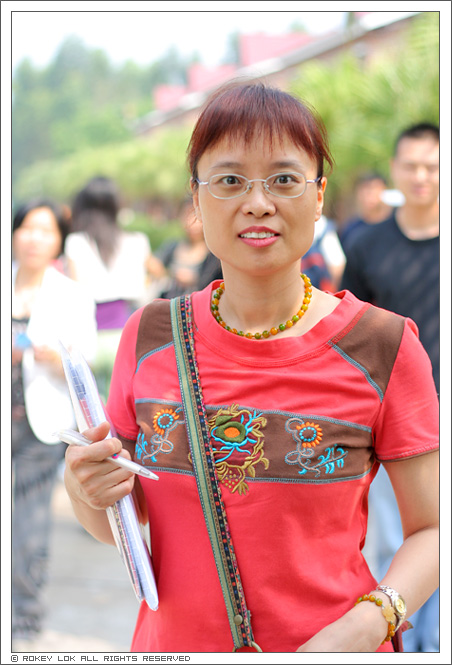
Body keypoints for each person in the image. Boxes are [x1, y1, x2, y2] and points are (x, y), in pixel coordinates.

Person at [63, 82, 439, 653]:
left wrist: (367, 625)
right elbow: (123, 523)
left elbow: (433, 529)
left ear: (318, 197)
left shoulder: (382, 345)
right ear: (196, 200)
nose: (258, 202)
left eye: (284, 179)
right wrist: (85, 488)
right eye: (230, 180)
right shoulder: (152, 335)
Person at [340, 123, 440, 652]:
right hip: (387, 416)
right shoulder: (367, 245)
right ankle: (394, 641)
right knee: (390, 535)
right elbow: (348, 331)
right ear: (396, 169)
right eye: (412, 165)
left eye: (433, 166)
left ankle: (435, 643)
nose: (422, 176)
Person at [12, 199, 97, 648]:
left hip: (38, 423)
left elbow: (86, 360)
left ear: (58, 241)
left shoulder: (71, 295)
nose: (33, 238)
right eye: (26, 228)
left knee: (28, 522)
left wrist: (55, 358)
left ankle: (23, 613)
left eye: (45, 231)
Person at [65, 176, 153, 398]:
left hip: (90, 337)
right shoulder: (137, 240)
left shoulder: (76, 242)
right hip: (128, 335)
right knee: (123, 404)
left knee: (93, 407)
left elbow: (75, 294)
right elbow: (152, 278)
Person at [148, 198, 223, 299]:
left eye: (196, 217)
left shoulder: (214, 255)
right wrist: (167, 273)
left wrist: (194, 279)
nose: (192, 222)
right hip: (170, 301)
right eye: (187, 216)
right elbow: (154, 263)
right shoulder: (173, 246)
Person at [339, 172, 392, 252]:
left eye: (374, 188)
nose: (370, 194)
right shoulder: (351, 230)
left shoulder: (396, 227)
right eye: (366, 189)